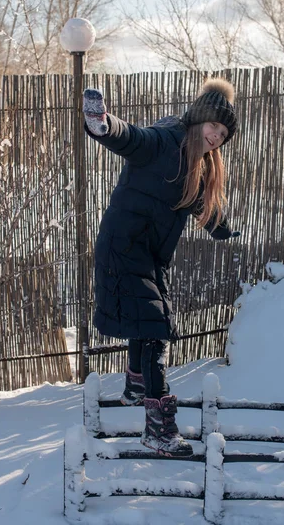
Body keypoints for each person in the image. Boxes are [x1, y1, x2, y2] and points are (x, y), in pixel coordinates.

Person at [83, 78, 240, 457]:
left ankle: (137, 385)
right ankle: (157, 428)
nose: (216, 136)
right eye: (212, 127)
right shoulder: (166, 139)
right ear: (199, 118)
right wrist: (104, 124)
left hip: (148, 255)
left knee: (149, 321)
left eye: (222, 132)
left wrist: (222, 229)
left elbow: (200, 204)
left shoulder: (198, 162)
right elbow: (132, 138)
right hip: (124, 248)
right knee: (156, 330)